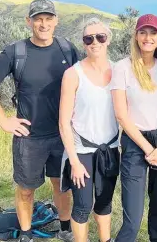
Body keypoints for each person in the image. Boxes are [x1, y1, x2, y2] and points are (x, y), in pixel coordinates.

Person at [0, 0, 79, 242]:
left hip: (62, 134)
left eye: (48, 19)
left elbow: (81, 85)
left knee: (61, 185)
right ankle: (25, 235)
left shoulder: (67, 49)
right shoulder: (16, 52)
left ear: (56, 21)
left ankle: (65, 228)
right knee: (26, 190)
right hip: (29, 137)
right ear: (29, 22)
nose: (43, 24)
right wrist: (3, 120)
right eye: (38, 19)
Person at [111, 14, 157, 242]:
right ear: (136, 36)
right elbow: (121, 114)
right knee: (133, 215)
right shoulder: (122, 68)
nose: (148, 37)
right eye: (143, 32)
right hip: (135, 141)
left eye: (153, 32)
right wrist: (149, 149)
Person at [58, 18, 120, 242]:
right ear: (83, 43)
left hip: (110, 148)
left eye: (100, 37)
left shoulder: (119, 71)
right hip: (81, 150)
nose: (95, 42)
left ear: (108, 40)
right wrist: (73, 160)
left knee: (104, 203)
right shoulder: (73, 75)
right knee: (83, 205)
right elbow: (64, 122)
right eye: (88, 38)